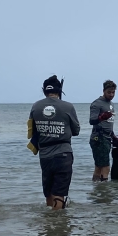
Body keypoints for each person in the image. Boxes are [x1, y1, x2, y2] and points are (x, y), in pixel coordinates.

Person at [29, 75, 81, 210]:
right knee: (59, 193)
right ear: (60, 90)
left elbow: (31, 131)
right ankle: (58, 225)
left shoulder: (35, 106)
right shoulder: (68, 107)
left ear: (44, 90)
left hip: (44, 155)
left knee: (48, 192)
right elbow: (76, 131)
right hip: (63, 154)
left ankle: (49, 225)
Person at [88, 80, 117, 182]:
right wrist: (101, 117)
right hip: (98, 138)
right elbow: (92, 121)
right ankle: (104, 192)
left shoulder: (111, 104)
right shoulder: (97, 104)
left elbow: (108, 123)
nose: (111, 95)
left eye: (113, 92)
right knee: (105, 167)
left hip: (107, 137)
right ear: (104, 91)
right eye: (109, 92)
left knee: (99, 166)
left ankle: (96, 189)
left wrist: (113, 135)